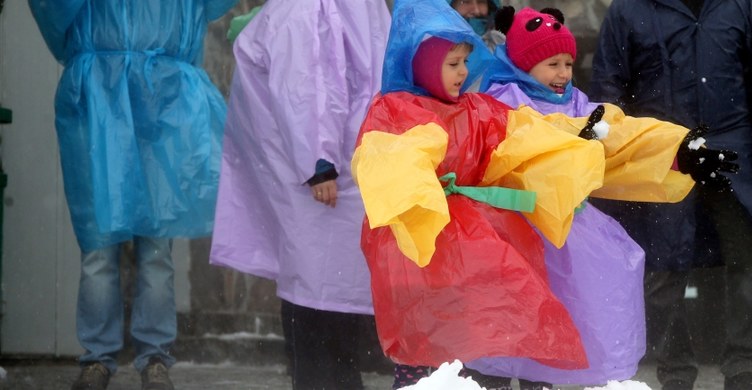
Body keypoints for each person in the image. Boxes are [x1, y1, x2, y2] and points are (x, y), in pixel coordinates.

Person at [351, 0, 624, 388]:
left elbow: (525, 136)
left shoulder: (477, 109)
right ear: (422, 64)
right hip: (414, 243)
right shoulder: (393, 110)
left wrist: (571, 139)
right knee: (421, 339)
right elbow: (386, 161)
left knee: (482, 333)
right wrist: (425, 203)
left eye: (465, 61)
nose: (464, 71)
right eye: (452, 63)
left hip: (468, 238)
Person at [468, 7, 738, 387]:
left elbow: (624, 135)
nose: (563, 73)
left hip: (568, 233)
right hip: (514, 232)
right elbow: (518, 144)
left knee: (559, 320)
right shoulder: (500, 100)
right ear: (523, 64)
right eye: (552, 64)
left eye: (568, 63)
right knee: (506, 321)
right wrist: (572, 143)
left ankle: (544, 381)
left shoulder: (579, 104)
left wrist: (681, 151)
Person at [28, 1, 235, 389]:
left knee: (150, 246)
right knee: (102, 245)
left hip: (157, 99)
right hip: (105, 97)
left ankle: (149, 359)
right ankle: (101, 358)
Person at [591, 1, 752, 389]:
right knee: (663, 272)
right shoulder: (628, 11)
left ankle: (744, 369)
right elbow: (609, 87)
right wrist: (621, 148)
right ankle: (676, 372)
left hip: (732, 150)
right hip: (663, 155)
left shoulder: (739, 6)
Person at [207, 1, 390, 389]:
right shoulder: (313, 8)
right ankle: (329, 379)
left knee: (324, 288)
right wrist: (318, 161)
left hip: (337, 165)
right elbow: (308, 87)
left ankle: (332, 378)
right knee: (320, 291)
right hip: (325, 173)